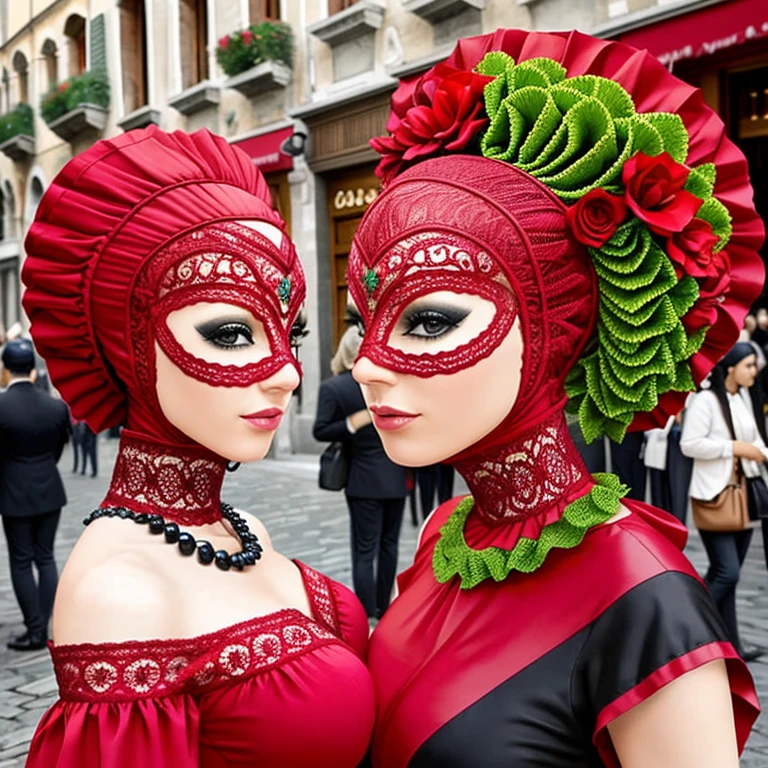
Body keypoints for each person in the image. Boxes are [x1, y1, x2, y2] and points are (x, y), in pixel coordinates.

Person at [348, 29, 762, 767]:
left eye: (430, 319)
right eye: (364, 321)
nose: (371, 365)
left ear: (552, 334)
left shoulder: (644, 596)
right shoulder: (443, 537)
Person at [21, 127, 374, 767]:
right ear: (131, 346)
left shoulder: (244, 530)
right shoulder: (119, 593)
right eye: (233, 331)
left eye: (289, 332)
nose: (288, 372)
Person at [313, 325, 407, 621]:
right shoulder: (390, 384)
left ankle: (369, 612)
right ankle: (384, 607)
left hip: (364, 481)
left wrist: (351, 424)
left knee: (365, 550)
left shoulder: (333, 387)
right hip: (394, 477)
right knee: (388, 545)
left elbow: (320, 430)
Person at [681, 343, 767, 661]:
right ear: (731, 369)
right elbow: (690, 445)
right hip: (715, 495)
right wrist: (732, 448)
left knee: (730, 577)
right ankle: (686, 623)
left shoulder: (742, 397)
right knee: (726, 572)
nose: (754, 372)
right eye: (749, 366)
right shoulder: (706, 401)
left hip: (744, 497)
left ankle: (732, 647)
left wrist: (756, 452)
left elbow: (756, 440)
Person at [0, 338, 70, 651]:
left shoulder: (1, 406)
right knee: (45, 557)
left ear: (4, 370)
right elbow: (57, 449)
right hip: (49, 489)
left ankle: (35, 629)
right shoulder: (55, 406)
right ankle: (46, 625)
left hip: (13, 491)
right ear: (32, 370)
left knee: (21, 560)